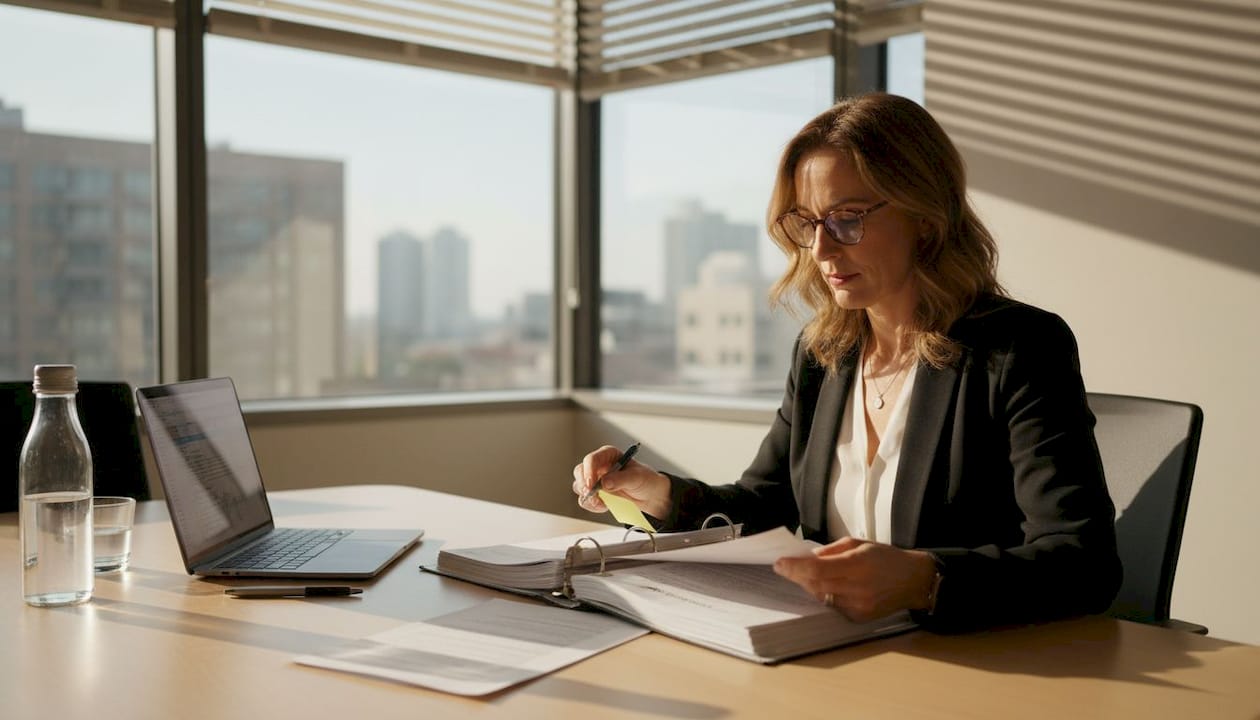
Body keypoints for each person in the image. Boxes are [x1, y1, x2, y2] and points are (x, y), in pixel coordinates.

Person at [571, 92, 1121, 631]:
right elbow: (766, 505)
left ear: (924, 216)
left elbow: (1083, 564)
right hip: (831, 651)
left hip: (977, 663)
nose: (821, 252)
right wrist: (657, 492)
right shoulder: (822, 354)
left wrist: (924, 579)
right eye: (808, 224)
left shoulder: (1017, 347)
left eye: (846, 220)